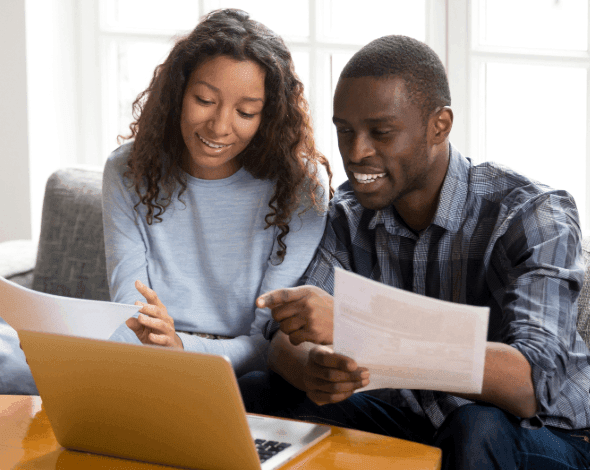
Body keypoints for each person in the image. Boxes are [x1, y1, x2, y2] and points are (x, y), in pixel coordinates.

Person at [240, 35, 590, 469]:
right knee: (262, 390)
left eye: (380, 133)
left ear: (439, 126)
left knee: (476, 427)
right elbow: (284, 342)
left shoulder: (531, 213)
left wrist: (360, 328)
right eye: (344, 131)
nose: (355, 152)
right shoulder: (348, 215)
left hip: (543, 434)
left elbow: (529, 384)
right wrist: (314, 366)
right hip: (417, 421)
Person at [102, 8, 333, 378]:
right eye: (205, 101)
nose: (220, 126)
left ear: (268, 116)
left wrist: (180, 347)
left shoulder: (301, 188)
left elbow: (267, 343)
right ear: (178, 93)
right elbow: (128, 313)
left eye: (245, 111)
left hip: (237, 374)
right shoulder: (128, 169)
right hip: (143, 360)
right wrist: (156, 343)